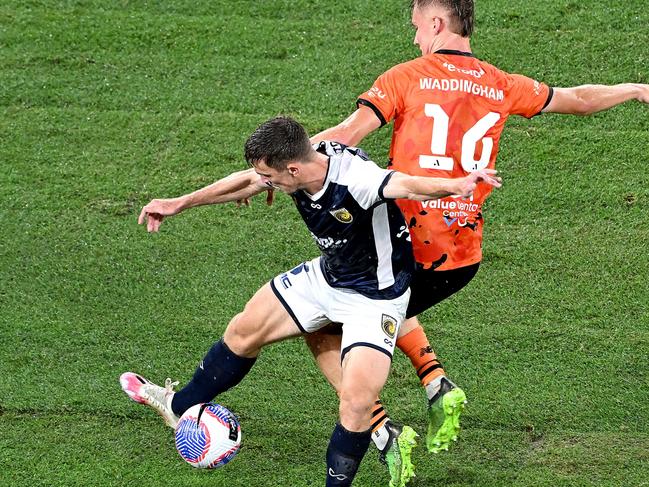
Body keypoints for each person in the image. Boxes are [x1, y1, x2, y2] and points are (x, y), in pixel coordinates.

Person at [302, 0, 649, 473]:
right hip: (461, 257)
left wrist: (280, 170)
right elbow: (580, 99)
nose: (415, 38)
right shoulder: (501, 83)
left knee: (327, 325)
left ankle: (381, 431)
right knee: (392, 300)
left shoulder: (407, 75)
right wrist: (635, 88)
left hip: (406, 243)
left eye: (418, 27)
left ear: (438, 23)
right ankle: (435, 382)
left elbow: (345, 136)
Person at [121, 116, 502, 487]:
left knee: (355, 405)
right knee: (242, 331)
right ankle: (177, 407)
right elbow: (244, 182)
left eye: (270, 178)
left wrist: (457, 185)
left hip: (375, 300)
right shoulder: (305, 159)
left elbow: (408, 184)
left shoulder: (356, 179)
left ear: (292, 169)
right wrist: (179, 203)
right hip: (328, 278)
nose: (264, 185)